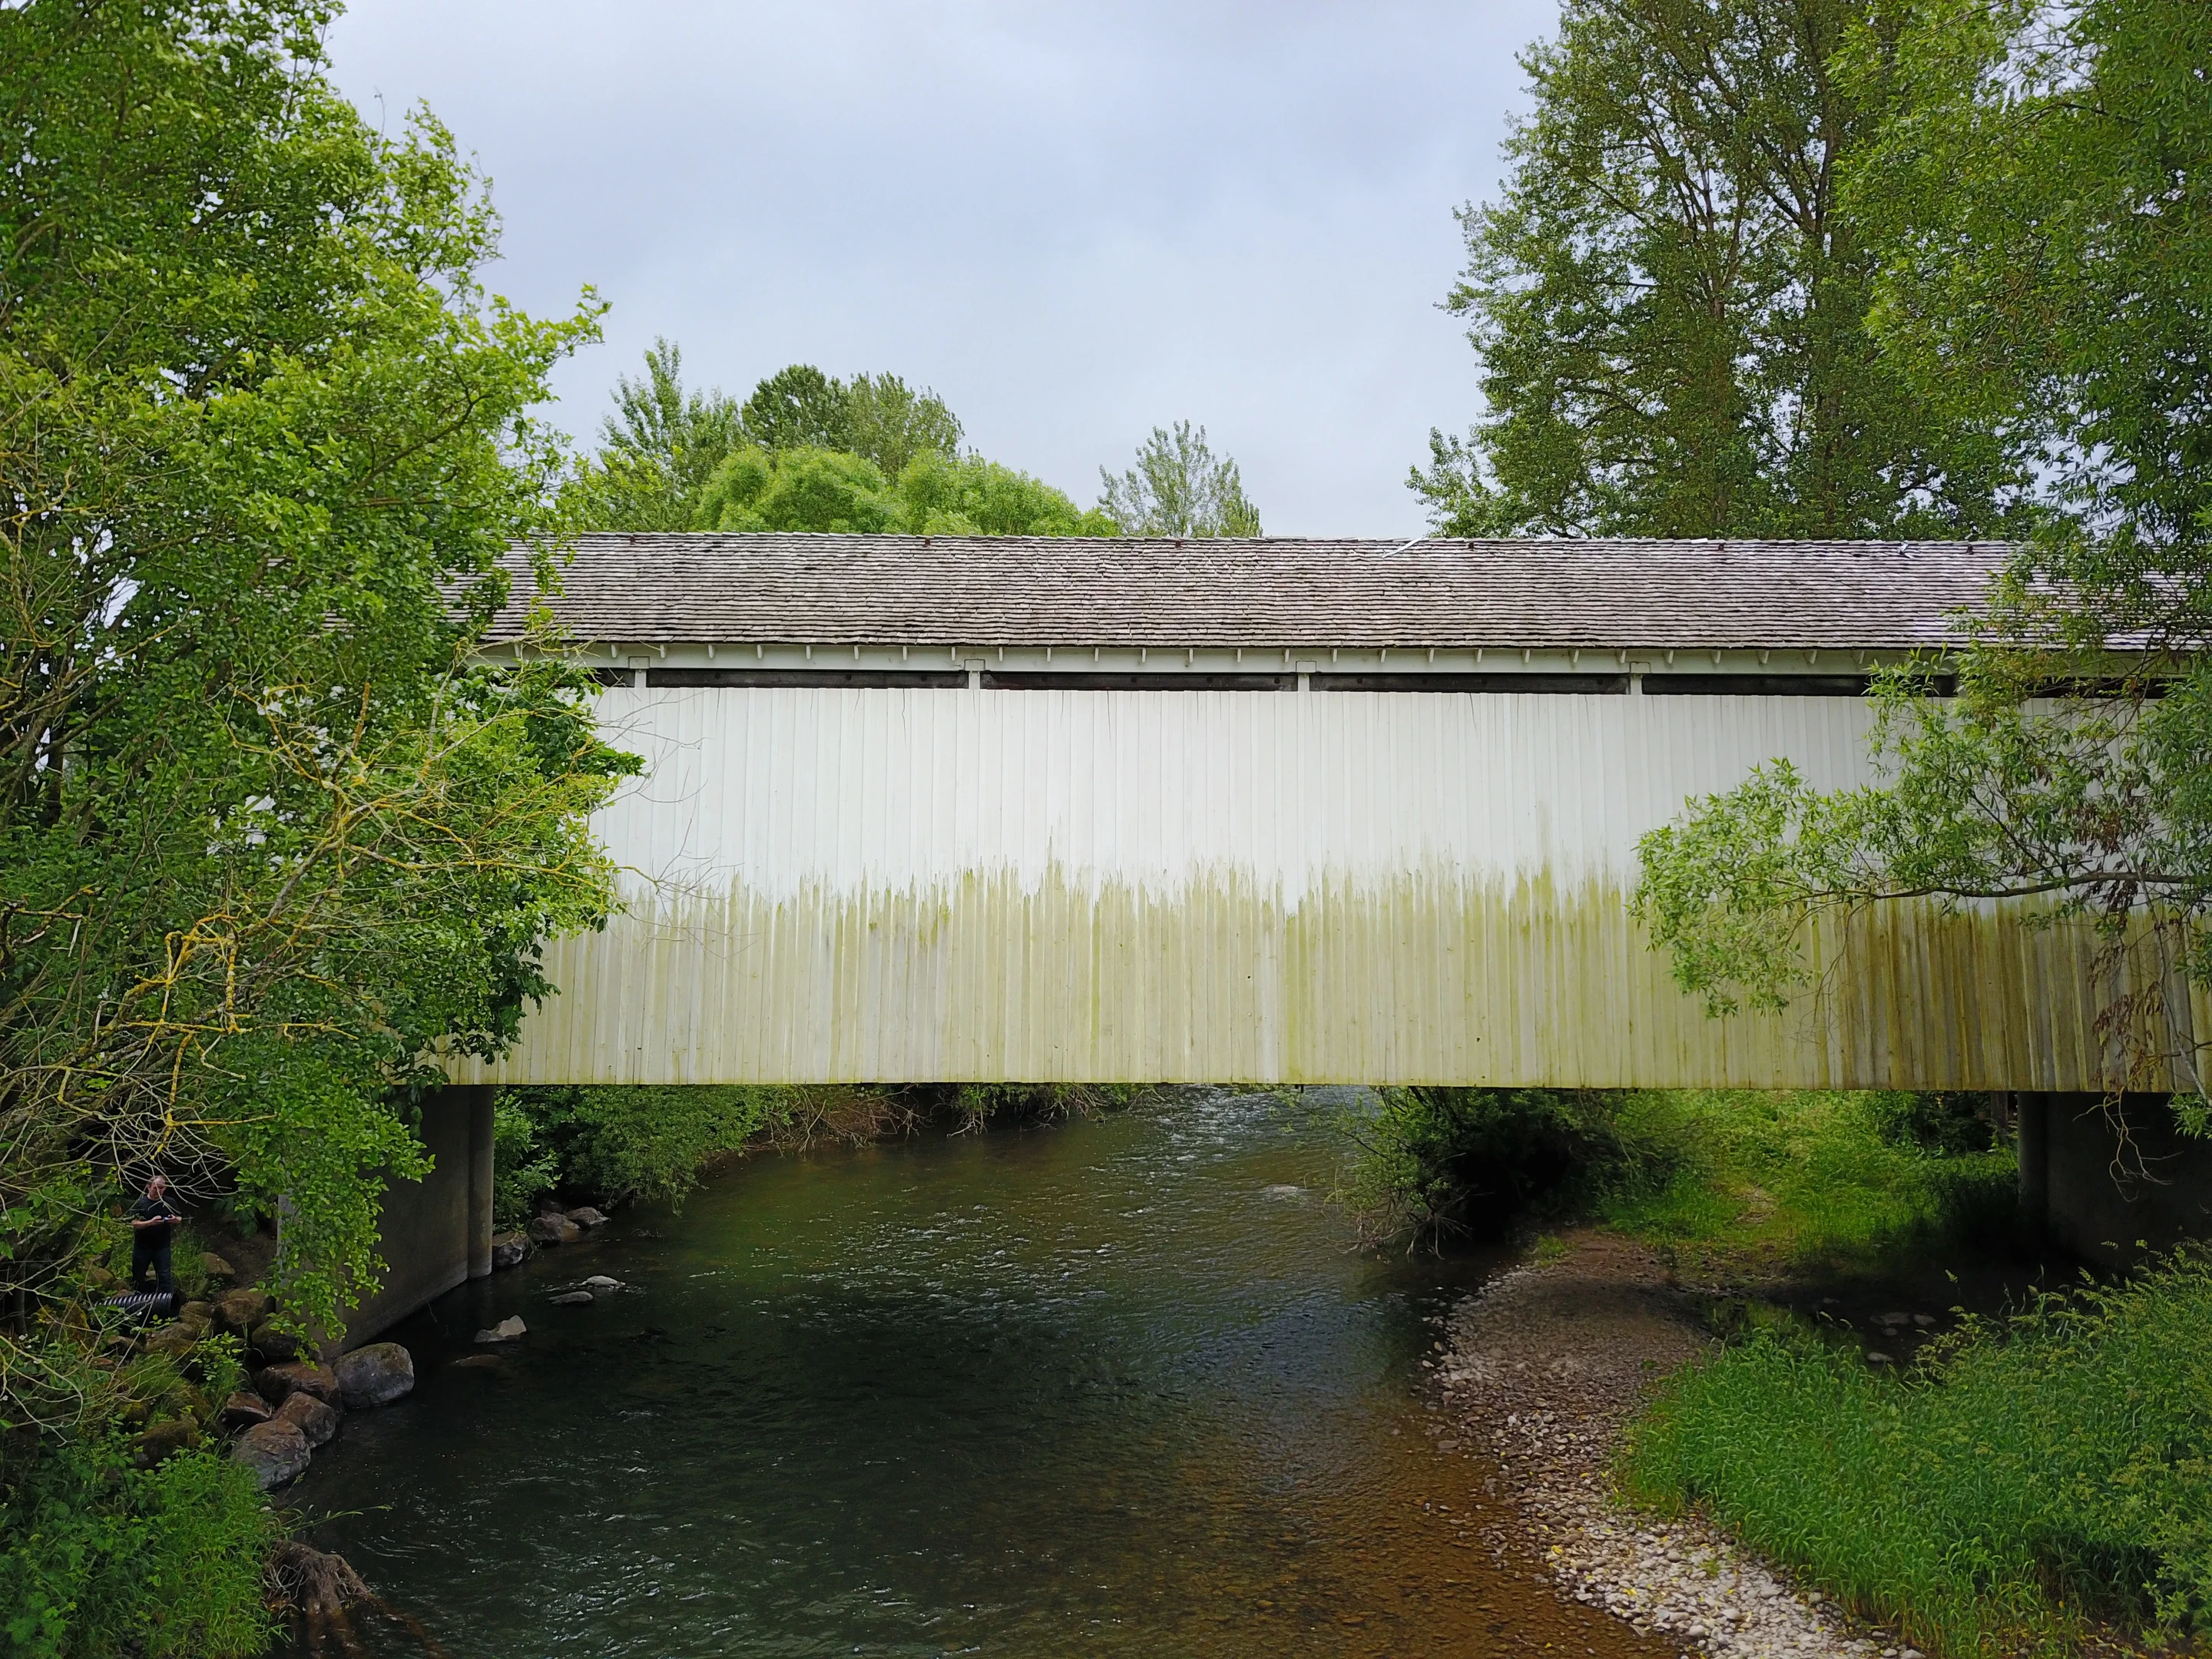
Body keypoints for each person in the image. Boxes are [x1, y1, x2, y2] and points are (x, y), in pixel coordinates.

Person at [129, 1174, 183, 1305]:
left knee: (165, 1276)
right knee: (138, 1275)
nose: (159, 1191)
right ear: (148, 1187)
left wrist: (174, 1220)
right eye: (155, 1188)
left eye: (162, 1188)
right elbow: (134, 1223)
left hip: (162, 1246)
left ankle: (168, 1304)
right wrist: (150, 1223)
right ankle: (137, 1304)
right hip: (142, 1246)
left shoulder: (169, 1202)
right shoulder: (141, 1203)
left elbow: (180, 1218)